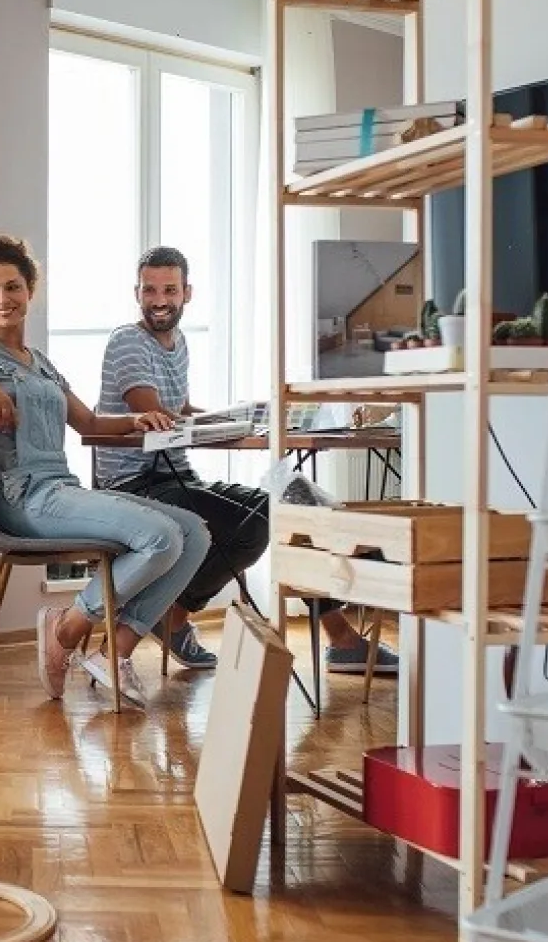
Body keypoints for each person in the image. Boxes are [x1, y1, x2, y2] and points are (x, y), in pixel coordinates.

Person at [0, 234, 212, 707]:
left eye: (13, 287)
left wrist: (137, 419)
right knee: (162, 536)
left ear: (29, 292)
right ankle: (67, 629)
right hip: (22, 499)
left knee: (195, 533)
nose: (3, 299)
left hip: (62, 491)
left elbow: (86, 422)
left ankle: (113, 654)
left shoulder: (41, 363)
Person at [95, 245, 398, 674]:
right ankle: (181, 620)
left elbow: (179, 412)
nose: (159, 300)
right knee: (263, 515)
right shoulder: (128, 341)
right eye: (149, 290)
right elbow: (151, 410)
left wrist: (237, 419)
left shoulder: (177, 344)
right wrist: (211, 423)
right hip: (136, 485)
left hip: (177, 476)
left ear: (187, 293)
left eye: (169, 290)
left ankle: (338, 637)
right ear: (136, 293)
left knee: (287, 505)